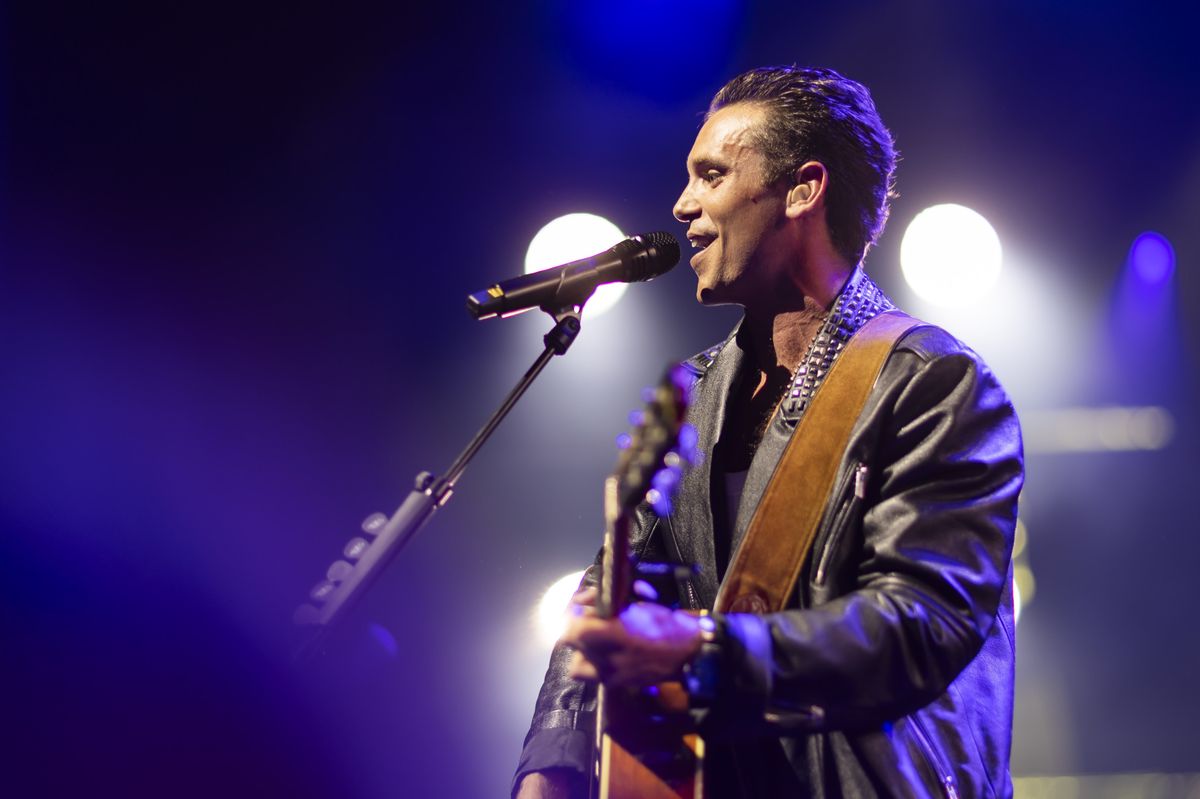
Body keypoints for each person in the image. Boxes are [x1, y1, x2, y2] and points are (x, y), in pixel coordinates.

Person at [513, 65, 1023, 798]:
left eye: (711, 176)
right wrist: (551, 767)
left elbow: (923, 621)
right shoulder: (693, 397)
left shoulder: (933, 383)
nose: (683, 204)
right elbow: (603, 598)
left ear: (803, 190)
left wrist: (707, 646)